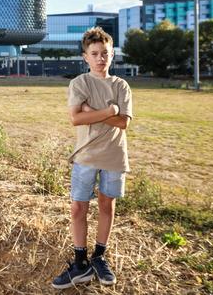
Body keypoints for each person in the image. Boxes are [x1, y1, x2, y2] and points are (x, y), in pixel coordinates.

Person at [52, 27, 133, 289]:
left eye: (105, 53)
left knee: (107, 206)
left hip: (113, 156)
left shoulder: (121, 85)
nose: (101, 58)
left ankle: (99, 257)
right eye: (95, 54)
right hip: (85, 156)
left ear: (112, 55)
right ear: (85, 56)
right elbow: (76, 118)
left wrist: (94, 110)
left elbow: (123, 123)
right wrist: (109, 109)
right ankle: (79, 262)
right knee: (78, 207)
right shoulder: (80, 83)